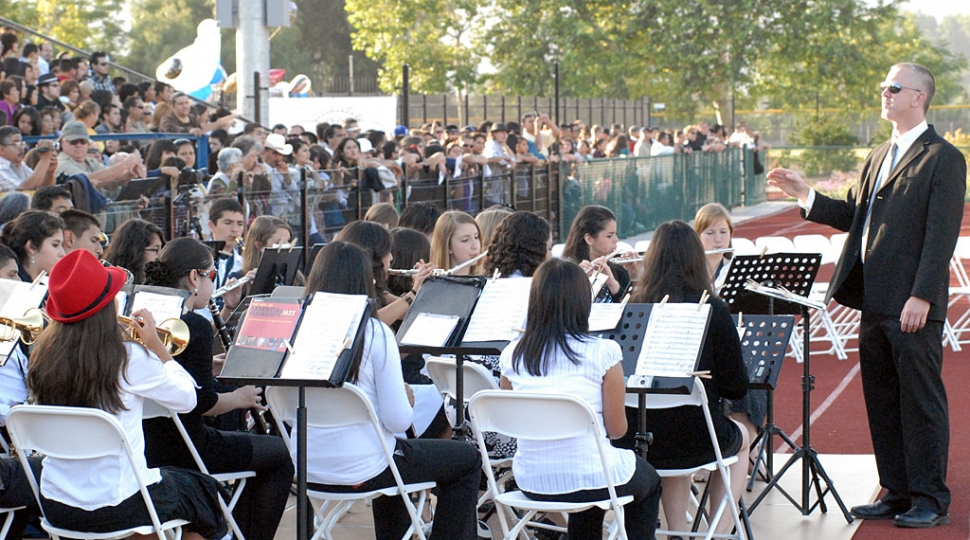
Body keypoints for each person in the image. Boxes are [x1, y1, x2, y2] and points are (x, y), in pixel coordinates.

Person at [767, 62, 965, 528]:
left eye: (893, 87)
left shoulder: (944, 157)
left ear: (919, 96)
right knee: (882, 398)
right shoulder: (878, 154)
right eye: (882, 86)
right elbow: (853, 215)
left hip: (913, 303)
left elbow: (941, 236)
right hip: (873, 300)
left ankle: (930, 498)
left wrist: (923, 296)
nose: (884, 92)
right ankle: (896, 490)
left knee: (920, 401)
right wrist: (806, 194)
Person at [25, 249, 225, 539]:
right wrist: (158, 348)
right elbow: (187, 399)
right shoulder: (129, 358)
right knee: (203, 492)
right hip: (119, 502)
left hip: (57, 504)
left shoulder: (42, 357)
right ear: (108, 305)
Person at [300, 241, 481, 540]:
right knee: (465, 458)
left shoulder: (299, 327)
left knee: (397, 454)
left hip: (307, 464)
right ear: (363, 281)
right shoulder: (373, 332)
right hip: (364, 467)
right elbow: (398, 422)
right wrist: (406, 401)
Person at [141, 237, 293, 540]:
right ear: (194, 277)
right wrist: (241, 398)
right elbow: (203, 402)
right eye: (212, 275)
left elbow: (165, 376)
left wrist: (208, 366)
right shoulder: (193, 325)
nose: (214, 283)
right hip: (187, 448)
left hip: (145, 446)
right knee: (278, 456)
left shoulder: (143, 317)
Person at [499, 258, 661, 540]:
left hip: (531, 479)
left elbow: (512, 423)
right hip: (588, 475)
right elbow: (617, 430)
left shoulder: (512, 356)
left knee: (593, 471)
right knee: (648, 482)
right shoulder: (603, 353)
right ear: (584, 302)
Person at [628, 220, 749, 537]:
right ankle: (719, 532)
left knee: (671, 445)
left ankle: (678, 531)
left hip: (637, 436)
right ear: (696, 258)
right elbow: (737, 386)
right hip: (695, 434)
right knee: (742, 441)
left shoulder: (633, 307)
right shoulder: (712, 308)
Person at [562, 205, 630, 303]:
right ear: (589, 239)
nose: (616, 240)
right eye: (609, 236)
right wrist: (579, 281)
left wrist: (615, 284)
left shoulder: (618, 270)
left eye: (615, 234)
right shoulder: (566, 272)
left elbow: (634, 312)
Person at [0, 210, 65, 281]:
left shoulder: (49, 284)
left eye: (62, 245)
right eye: (55, 245)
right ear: (32, 247)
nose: (62, 253)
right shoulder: (13, 283)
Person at [103, 218, 164, 284]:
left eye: (162, 249)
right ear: (135, 252)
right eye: (155, 250)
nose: (160, 256)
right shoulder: (113, 283)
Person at [0, 125, 55, 191]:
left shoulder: (20, 164)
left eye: (21, 143)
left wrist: (49, 172)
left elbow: (41, 187)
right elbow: (21, 191)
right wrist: (44, 160)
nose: (21, 148)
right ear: (1, 150)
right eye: (16, 144)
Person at [429, 210, 482, 276]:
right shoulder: (433, 284)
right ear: (448, 246)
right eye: (465, 240)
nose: (475, 246)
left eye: (476, 237)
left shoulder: (487, 281)